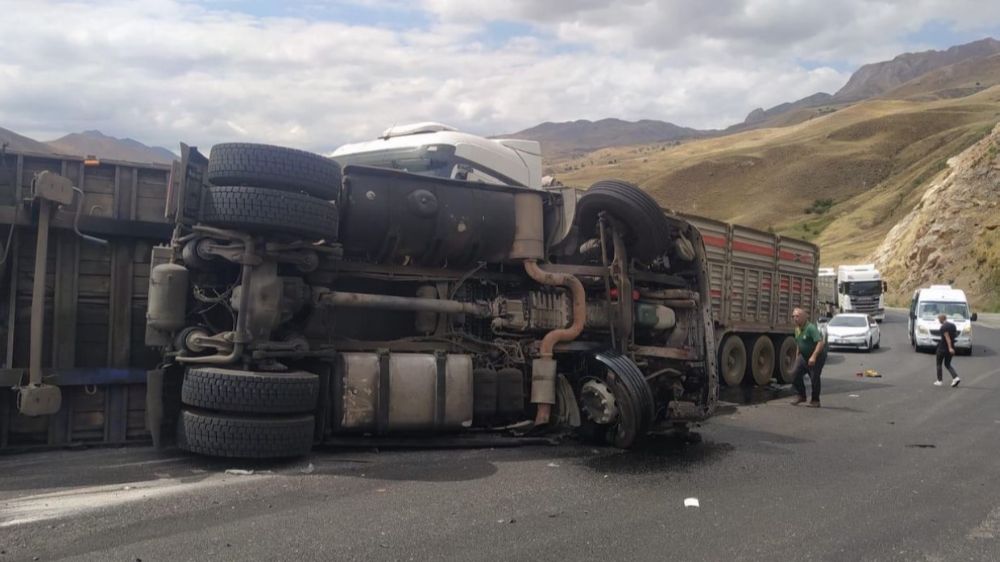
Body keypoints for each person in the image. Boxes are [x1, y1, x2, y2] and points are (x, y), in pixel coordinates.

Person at [791, 307, 826, 407]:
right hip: (804, 355)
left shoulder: (811, 328)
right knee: (794, 374)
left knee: (814, 377)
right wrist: (798, 355)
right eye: (793, 316)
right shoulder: (797, 329)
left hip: (817, 355)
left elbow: (820, 342)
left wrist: (814, 357)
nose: (795, 318)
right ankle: (801, 396)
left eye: (797, 316)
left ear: (803, 317)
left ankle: (815, 400)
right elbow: (799, 342)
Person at [934, 313, 961, 387]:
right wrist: (952, 347)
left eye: (939, 319)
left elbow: (947, 337)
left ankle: (939, 381)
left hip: (943, 348)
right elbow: (954, 336)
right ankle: (956, 377)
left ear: (941, 319)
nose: (939, 321)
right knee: (947, 364)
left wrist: (949, 348)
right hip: (952, 347)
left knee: (939, 364)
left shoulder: (943, 327)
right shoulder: (953, 325)